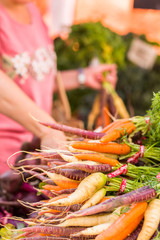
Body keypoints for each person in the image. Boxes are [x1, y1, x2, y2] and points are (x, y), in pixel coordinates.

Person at [0, 0, 117, 174]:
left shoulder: (33, 12)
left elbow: (35, 80)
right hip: (6, 159)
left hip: (35, 155)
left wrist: (82, 76)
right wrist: (47, 130)